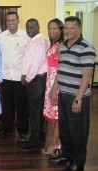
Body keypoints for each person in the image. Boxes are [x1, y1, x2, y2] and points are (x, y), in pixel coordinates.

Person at [48, 16, 96, 171]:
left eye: (72, 28)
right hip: (63, 94)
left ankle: (78, 162)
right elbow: (60, 70)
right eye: (66, 28)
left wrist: (78, 99)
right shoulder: (62, 46)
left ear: (79, 29)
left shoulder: (86, 48)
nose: (68, 31)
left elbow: (87, 76)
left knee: (78, 131)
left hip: (77, 96)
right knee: (65, 128)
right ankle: (67, 155)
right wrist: (54, 89)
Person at [0, 12, 30, 141]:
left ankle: (22, 131)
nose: (11, 23)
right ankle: (6, 129)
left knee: (21, 105)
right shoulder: (1, 36)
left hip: (20, 77)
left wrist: (27, 74)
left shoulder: (26, 36)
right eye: (8, 20)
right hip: (5, 76)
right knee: (7, 105)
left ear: (18, 20)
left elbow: (28, 57)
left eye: (13, 20)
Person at [19, 18, 49, 151]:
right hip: (32, 78)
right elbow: (28, 60)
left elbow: (36, 63)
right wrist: (24, 74)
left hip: (37, 79)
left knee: (35, 112)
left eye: (32, 27)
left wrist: (28, 77)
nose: (29, 30)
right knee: (34, 110)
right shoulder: (32, 41)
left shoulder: (40, 42)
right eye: (27, 27)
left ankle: (35, 142)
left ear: (38, 27)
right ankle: (38, 137)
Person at [41, 18, 64, 154]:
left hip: (57, 83)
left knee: (58, 115)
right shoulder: (54, 44)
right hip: (51, 82)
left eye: (55, 28)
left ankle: (54, 142)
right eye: (50, 28)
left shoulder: (61, 45)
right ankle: (57, 142)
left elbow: (61, 68)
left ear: (61, 30)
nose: (51, 31)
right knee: (56, 114)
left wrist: (54, 88)